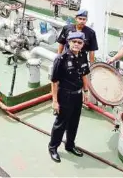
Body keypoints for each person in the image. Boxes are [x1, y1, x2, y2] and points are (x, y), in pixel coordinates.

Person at [48, 31, 90, 163]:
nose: (77, 44)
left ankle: (70, 145)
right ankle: (53, 147)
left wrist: (86, 91)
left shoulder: (83, 55)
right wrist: (55, 101)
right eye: (74, 42)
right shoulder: (61, 59)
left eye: (79, 42)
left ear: (83, 44)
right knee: (61, 123)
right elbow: (54, 82)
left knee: (74, 122)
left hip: (77, 95)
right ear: (69, 42)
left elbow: (84, 74)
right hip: (65, 95)